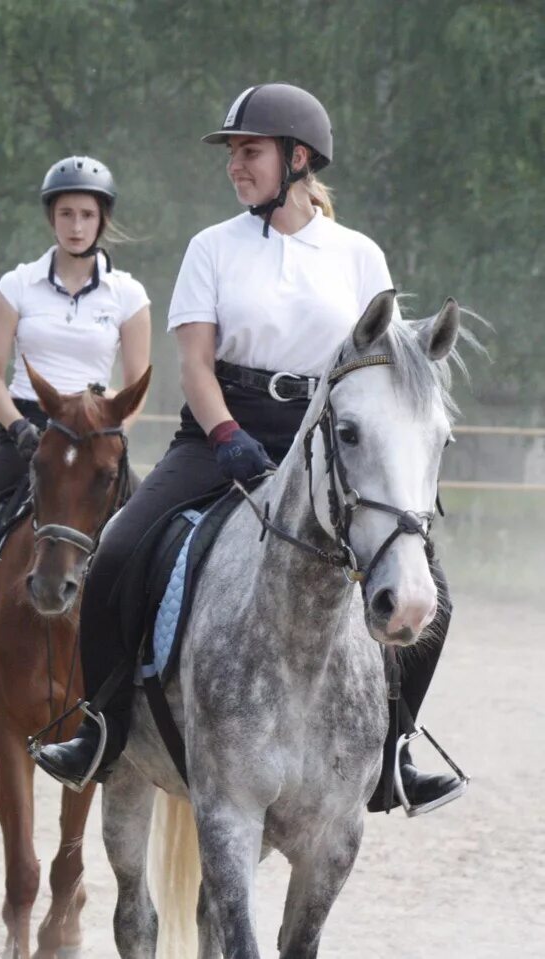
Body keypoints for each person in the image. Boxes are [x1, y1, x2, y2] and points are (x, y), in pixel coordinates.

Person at [36, 84, 463, 814]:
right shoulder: (213, 247)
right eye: (232, 153)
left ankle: (394, 747)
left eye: (249, 152)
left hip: (329, 439)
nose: (236, 165)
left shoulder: (357, 254)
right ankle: (100, 727)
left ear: (297, 160)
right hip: (220, 429)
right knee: (117, 550)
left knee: (435, 594)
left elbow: (390, 367)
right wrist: (227, 435)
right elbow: (194, 365)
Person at [0, 155, 152, 659]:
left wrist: (113, 437)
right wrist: (17, 428)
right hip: (29, 435)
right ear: (51, 218)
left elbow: (136, 385)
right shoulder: (16, 286)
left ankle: (149, 670)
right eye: (65, 214)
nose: (76, 226)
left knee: (150, 543)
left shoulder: (128, 295)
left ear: (102, 218)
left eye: (86, 214)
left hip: (97, 438)